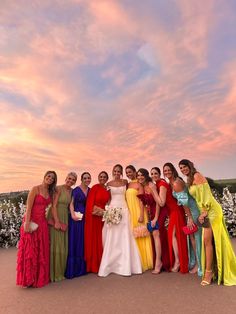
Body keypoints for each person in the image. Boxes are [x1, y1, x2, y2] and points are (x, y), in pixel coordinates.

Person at [178, 159, 236, 286]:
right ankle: (212, 270)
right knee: (208, 242)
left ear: (189, 166)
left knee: (206, 241)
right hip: (205, 210)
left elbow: (206, 195)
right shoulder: (189, 180)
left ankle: (209, 273)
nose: (183, 169)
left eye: (184, 167)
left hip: (211, 210)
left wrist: (204, 212)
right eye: (181, 168)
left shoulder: (197, 176)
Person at [98, 164, 142, 277]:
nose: (117, 173)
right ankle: (110, 265)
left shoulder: (125, 183)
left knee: (125, 235)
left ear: (121, 172)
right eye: (115, 171)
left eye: (119, 171)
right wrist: (107, 211)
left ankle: (125, 265)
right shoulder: (108, 184)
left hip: (124, 210)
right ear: (112, 172)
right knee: (113, 236)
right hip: (112, 209)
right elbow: (107, 199)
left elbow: (131, 194)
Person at [16, 170, 57, 288]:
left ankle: (39, 278)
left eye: (53, 178)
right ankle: (28, 280)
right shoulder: (35, 189)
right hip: (31, 221)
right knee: (30, 250)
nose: (50, 178)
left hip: (42, 223)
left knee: (41, 250)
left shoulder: (50, 192)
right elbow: (28, 208)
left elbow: (51, 207)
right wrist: (27, 223)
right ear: (44, 176)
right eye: (49, 176)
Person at [49, 172, 77, 282]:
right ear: (66, 178)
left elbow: (70, 206)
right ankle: (53, 274)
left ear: (75, 182)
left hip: (65, 217)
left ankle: (60, 272)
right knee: (55, 244)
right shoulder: (58, 188)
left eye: (73, 180)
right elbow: (54, 205)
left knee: (63, 244)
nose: (70, 181)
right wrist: (56, 221)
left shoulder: (71, 191)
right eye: (69, 178)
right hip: (56, 215)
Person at [172, 178, 202, 277]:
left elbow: (184, 202)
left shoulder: (177, 183)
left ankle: (199, 265)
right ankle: (199, 263)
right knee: (193, 238)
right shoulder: (178, 182)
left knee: (195, 238)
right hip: (190, 212)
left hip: (193, 212)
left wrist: (189, 217)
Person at [125, 165, 153, 271]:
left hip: (138, 211)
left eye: (130, 172)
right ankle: (137, 261)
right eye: (126, 172)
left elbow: (141, 200)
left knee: (141, 235)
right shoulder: (128, 184)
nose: (128, 174)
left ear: (135, 172)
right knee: (134, 236)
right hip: (130, 212)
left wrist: (141, 214)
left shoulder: (139, 183)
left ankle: (145, 261)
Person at [162, 163, 188, 273]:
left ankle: (179, 261)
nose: (167, 172)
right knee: (173, 236)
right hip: (172, 212)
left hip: (178, 212)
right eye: (165, 171)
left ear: (173, 170)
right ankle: (178, 260)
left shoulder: (177, 182)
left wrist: (188, 216)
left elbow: (184, 200)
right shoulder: (169, 183)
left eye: (168, 170)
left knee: (175, 236)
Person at [65, 172, 91, 278]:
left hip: (86, 218)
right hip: (76, 218)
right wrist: (72, 215)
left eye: (88, 178)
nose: (87, 179)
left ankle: (83, 267)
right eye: (85, 178)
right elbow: (71, 203)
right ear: (81, 179)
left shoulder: (90, 190)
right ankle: (74, 269)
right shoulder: (75, 190)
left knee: (83, 241)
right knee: (75, 241)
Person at [137, 168, 163, 274]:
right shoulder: (143, 186)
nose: (140, 177)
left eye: (142, 175)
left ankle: (158, 262)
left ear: (146, 175)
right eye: (138, 175)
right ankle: (156, 260)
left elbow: (157, 202)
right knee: (153, 235)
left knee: (156, 234)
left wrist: (156, 217)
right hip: (150, 212)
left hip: (157, 211)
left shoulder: (151, 185)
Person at [84, 171, 110, 273]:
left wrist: (106, 212)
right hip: (95, 217)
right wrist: (98, 211)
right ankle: (94, 264)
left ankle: (102, 262)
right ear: (98, 178)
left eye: (104, 177)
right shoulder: (95, 187)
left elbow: (108, 203)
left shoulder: (107, 190)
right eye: (101, 176)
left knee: (102, 239)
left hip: (104, 218)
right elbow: (90, 203)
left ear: (107, 178)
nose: (102, 178)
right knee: (95, 239)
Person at [150, 167, 170, 271]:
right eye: (152, 174)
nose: (154, 175)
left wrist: (153, 190)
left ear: (160, 173)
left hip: (164, 212)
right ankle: (161, 260)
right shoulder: (157, 184)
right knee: (157, 234)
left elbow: (161, 203)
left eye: (156, 173)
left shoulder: (161, 184)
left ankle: (159, 262)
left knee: (156, 233)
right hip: (159, 212)